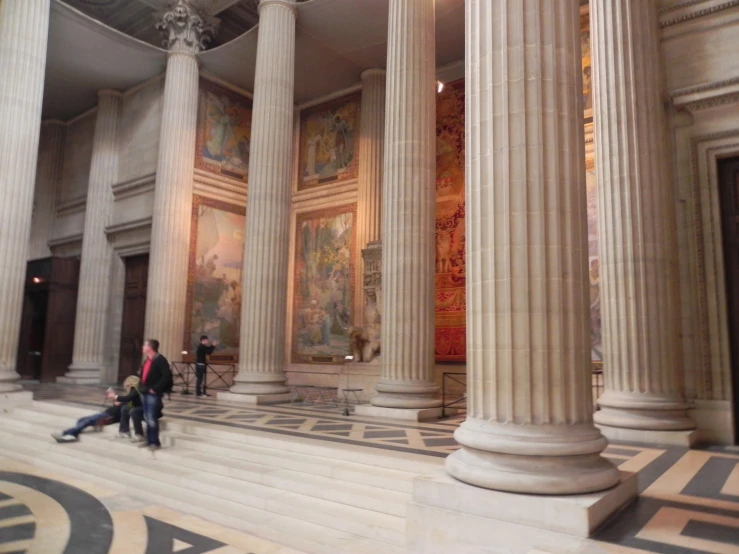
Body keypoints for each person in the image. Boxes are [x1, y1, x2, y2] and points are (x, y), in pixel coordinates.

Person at [138, 338, 171, 451]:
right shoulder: (147, 360)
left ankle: (154, 442)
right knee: (147, 417)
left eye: (144, 345)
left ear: (150, 348)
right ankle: (148, 440)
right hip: (144, 392)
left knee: (152, 418)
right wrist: (140, 387)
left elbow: (166, 376)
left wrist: (155, 389)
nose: (142, 347)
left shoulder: (160, 360)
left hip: (152, 393)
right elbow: (143, 376)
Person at [51, 402, 122, 443]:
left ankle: (66, 433)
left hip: (108, 416)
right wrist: (116, 402)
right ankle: (72, 434)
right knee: (81, 419)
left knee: (87, 421)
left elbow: (120, 414)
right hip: (103, 413)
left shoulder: (128, 403)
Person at [109, 375, 145, 442]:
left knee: (134, 411)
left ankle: (139, 434)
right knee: (125, 408)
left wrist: (115, 397)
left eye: (127, 385)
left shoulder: (136, 389)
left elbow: (129, 398)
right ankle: (124, 431)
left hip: (144, 410)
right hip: (139, 408)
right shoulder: (134, 389)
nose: (126, 387)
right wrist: (120, 403)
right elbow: (130, 401)